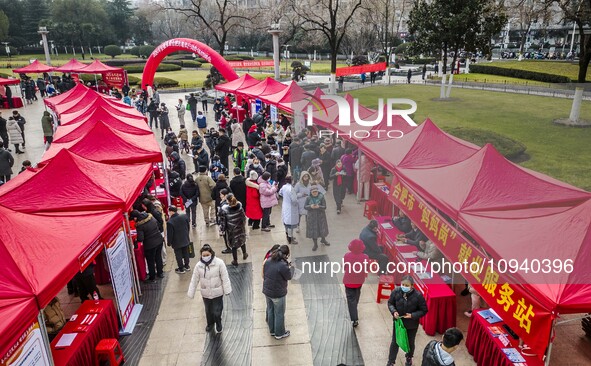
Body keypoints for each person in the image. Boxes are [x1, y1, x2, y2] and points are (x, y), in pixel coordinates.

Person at [187, 244, 232, 334]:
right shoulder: (198, 266)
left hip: (217, 293)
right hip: (205, 293)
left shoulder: (219, 263)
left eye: (207, 255)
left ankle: (218, 323)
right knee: (208, 310)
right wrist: (191, 292)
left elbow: (225, 277)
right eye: (204, 255)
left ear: (211, 253)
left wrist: (227, 289)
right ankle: (210, 323)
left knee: (217, 310)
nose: (205, 257)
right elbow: (194, 280)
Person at [387, 275, 428, 366]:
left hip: (411, 324)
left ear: (412, 286)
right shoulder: (396, 291)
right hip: (398, 323)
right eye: (403, 284)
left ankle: (409, 358)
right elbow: (390, 303)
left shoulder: (418, 296)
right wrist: (394, 311)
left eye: (407, 285)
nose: (404, 287)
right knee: (395, 342)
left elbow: (424, 310)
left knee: (410, 341)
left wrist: (412, 315)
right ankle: (391, 361)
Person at [262, 245, 294, 340]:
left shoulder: (268, 261)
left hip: (267, 291)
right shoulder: (282, 265)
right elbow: (289, 276)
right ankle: (279, 333)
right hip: (278, 293)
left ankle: (272, 331)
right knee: (279, 313)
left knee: (270, 310)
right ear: (286, 255)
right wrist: (291, 268)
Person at [131, 209, 165, 282]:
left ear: (135, 218)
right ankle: (160, 273)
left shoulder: (140, 225)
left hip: (150, 245)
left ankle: (152, 278)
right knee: (158, 257)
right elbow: (158, 225)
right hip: (159, 240)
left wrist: (136, 240)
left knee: (150, 261)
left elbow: (141, 238)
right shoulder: (151, 217)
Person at [343, 239, 369, 327]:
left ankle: (354, 319)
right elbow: (366, 269)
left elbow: (345, 267)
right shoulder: (365, 257)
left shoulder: (346, 255)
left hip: (348, 281)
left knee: (351, 300)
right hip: (359, 281)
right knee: (356, 296)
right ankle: (354, 308)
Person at [219, 194, 248, 266]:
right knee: (242, 241)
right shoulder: (240, 207)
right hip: (240, 228)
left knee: (233, 246)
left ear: (228, 201)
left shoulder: (224, 210)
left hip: (231, 230)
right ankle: (244, 254)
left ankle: (235, 260)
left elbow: (223, 222)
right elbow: (244, 218)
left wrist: (222, 229)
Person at [304, 185, 330, 251]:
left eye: (316, 192)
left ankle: (323, 239)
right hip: (312, 217)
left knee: (322, 228)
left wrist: (319, 207)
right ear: (311, 192)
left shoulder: (321, 197)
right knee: (313, 231)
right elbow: (305, 206)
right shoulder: (308, 198)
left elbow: (324, 207)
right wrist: (310, 206)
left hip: (320, 216)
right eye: (313, 192)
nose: (315, 193)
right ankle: (315, 244)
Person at [167, 206, 191, 274]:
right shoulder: (184, 216)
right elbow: (188, 227)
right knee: (186, 253)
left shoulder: (170, 222)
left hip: (176, 241)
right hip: (185, 238)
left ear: (171, 211)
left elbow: (170, 234)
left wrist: (169, 243)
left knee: (178, 255)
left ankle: (181, 268)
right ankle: (187, 266)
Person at [279, 176, 299, 244]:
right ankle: (291, 238)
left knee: (286, 223)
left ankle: (288, 235)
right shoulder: (291, 189)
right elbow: (294, 200)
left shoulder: (284, 186)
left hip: (285, 206)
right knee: (290, 225)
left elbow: (280, 193)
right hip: (291, 208)